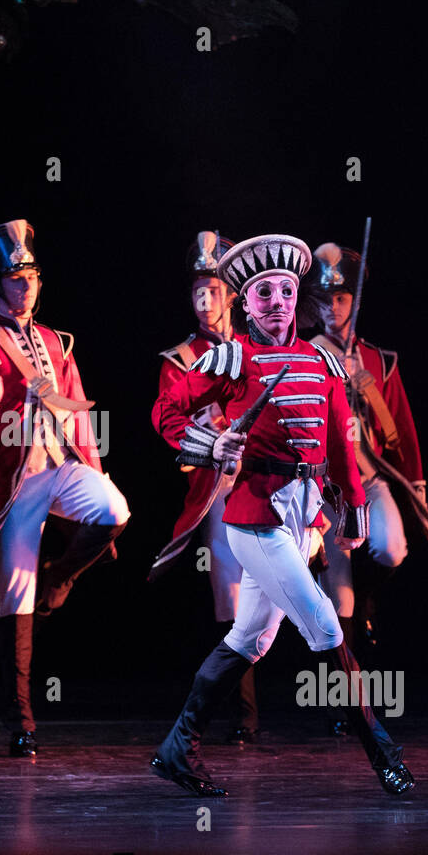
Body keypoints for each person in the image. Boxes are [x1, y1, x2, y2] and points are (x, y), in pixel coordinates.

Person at [149, 232, 415, 796]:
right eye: (264, 292)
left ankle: (177, 745)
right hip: (254, 519)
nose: (276, 302)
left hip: (303, 517)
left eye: (286, 291)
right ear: (245, 302)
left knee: (249, 639)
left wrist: (354, 505)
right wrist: (206, 445)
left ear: (297, 298)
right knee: (322, 623)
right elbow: (166, 408)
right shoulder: (233, 356)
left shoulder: (320, 360)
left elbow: (341, 442)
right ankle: (383, 752)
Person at [0, 219, 130, 757]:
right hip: (14, 482)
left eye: (29, 275)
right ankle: (22, 722)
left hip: (61, 463)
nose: (23, 285)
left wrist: (94, 468)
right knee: (15, 597)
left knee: (114, 507)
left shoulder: (58, 342)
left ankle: (62, 574)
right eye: (13, 277)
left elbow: (77, 411)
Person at [306, 242, 428, 733]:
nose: (332, 308)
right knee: (340, 604)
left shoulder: (380, 360)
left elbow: (401, 426)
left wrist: (417, 482)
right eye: (324, 300)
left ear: (353, 304)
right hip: (330, 491)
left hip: (372, 480)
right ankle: (348, 707)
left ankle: (373, 599)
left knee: (393, 549)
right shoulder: (307, 354)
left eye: (340, 300)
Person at [148, 231, 262, 743]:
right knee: (231, 594)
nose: (204, 299)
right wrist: (207, 435)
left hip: (269, 479)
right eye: (197, 289)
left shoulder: (258, 347)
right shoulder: (179, 359)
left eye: (213, 289)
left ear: (232, 294)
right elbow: (170, 425)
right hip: (218, 486)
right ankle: (245, 714)